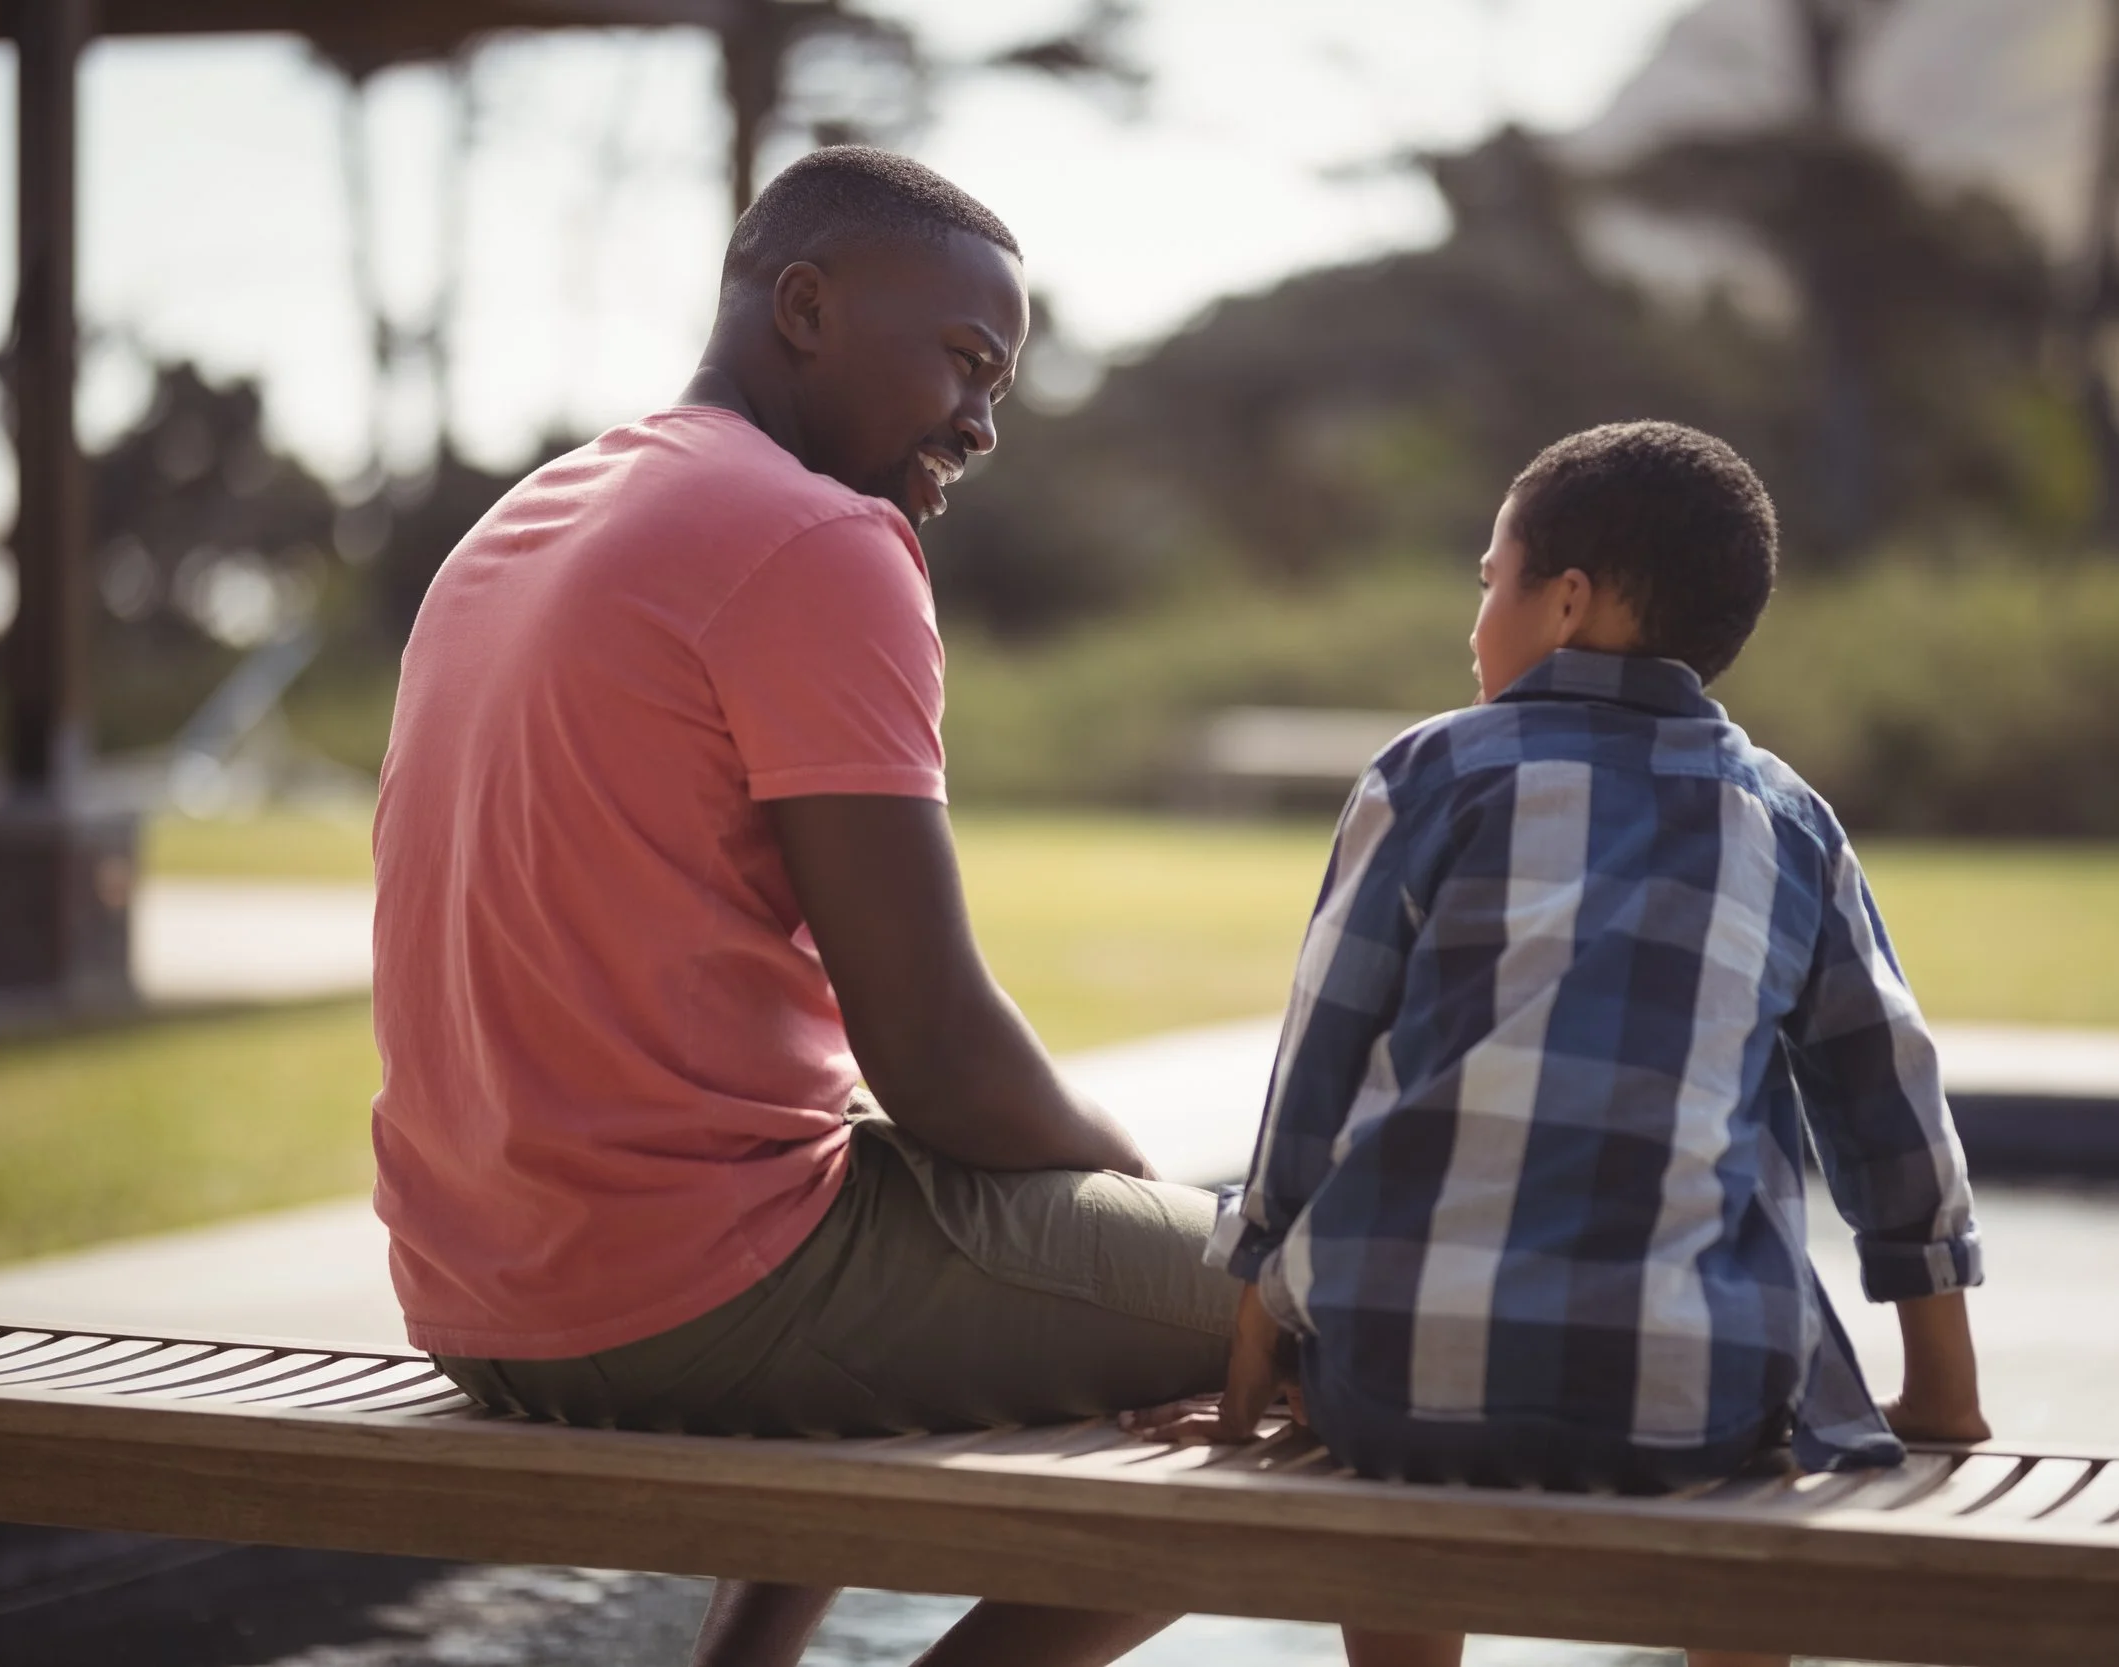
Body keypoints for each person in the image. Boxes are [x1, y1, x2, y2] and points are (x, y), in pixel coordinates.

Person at [369, 147, 1240, 1667]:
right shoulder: (817, 540)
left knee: (902, 1207)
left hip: (477, 1286)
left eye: (1002, 387)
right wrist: (1155, 1208)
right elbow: (938, 1051)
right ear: (808, 305)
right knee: (1340, 1323)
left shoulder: (530, 518)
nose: (979, 421)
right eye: (965, 362)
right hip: (683, 1295)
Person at [1123, 422, 1993, 1667]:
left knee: (1401, 1442)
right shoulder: (1785, 818)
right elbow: (1888, 1108)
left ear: (1568, 602)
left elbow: (1312, 1080)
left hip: (1392, 1386)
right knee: (1758, 1432)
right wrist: (1942, 1396)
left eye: (1489, 581)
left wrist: (1255, 1369)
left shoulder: (1427, 774)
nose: (1473, 617)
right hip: (1694, 1396)